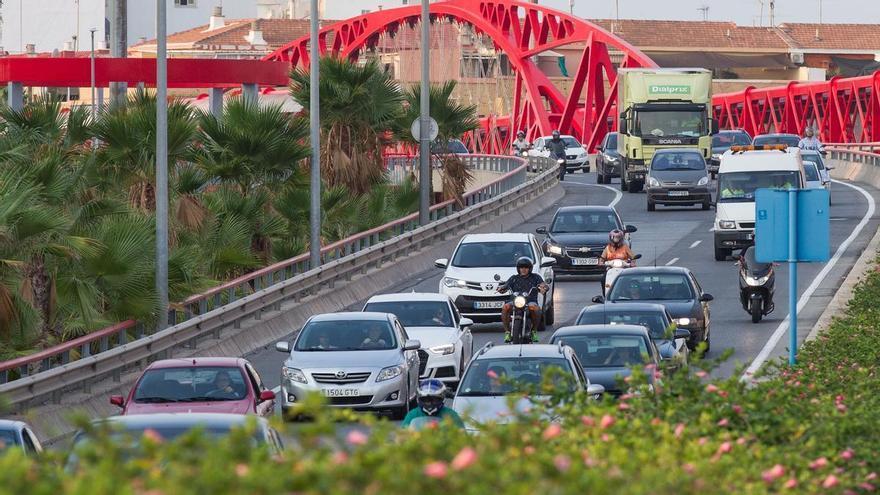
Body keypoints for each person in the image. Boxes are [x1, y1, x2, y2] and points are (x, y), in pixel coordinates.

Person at [497, 257, 549, 343]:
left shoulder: (535, 277)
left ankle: (534, 331)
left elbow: (542, 284)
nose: (523, 269)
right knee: (505, 307)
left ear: (530, 268)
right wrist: (501, 288)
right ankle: (507, 332)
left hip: (530, 302)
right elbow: (506, 285)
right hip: (516, 302)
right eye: (521, 267)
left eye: (526, 267)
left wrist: (544, 287)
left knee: (536, 309)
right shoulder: (514, 278)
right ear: (518, 268)